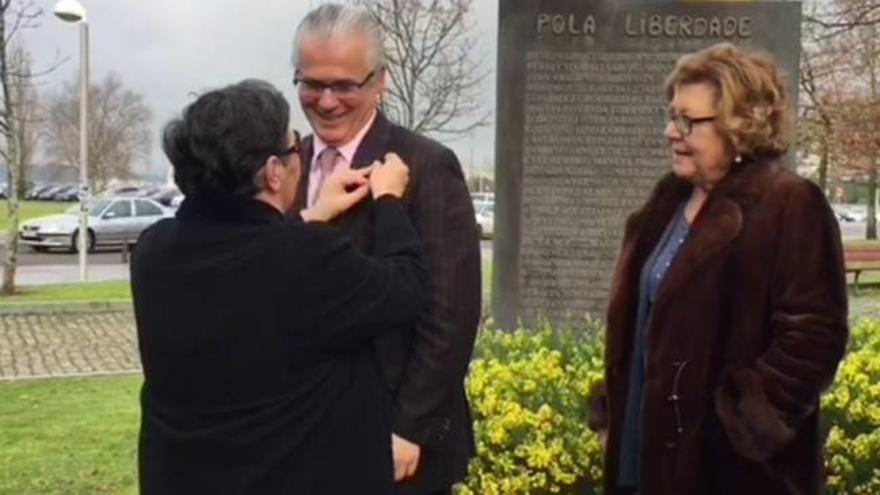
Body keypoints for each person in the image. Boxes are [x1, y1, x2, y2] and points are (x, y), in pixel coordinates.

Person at [132, 79, 426, 494]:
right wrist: (389, 199)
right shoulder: (306, 258)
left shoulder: (153, 252)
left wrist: (313, 214)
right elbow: (406, 287)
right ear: (273, 172)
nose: (300, 159)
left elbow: (246, 271)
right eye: (294, 150)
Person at [588, 43, 848, 495]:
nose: (672, 131)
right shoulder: (666, 202)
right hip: (644, 457)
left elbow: (814, 337)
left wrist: (743, 422)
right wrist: (617, 412)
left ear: (738, 124)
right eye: (671, 116)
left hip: (734, 472)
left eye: (688, 120)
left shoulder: (789, 203)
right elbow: (643, 324)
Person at [291, 5, 482, 494]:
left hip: (396, 449)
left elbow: (450, 313)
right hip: (304, 440)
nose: (327, 101)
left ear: (381, 81)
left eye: (344, 85)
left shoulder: (425, 165)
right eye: (312, 83)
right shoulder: (284, 166)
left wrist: (409, 428)